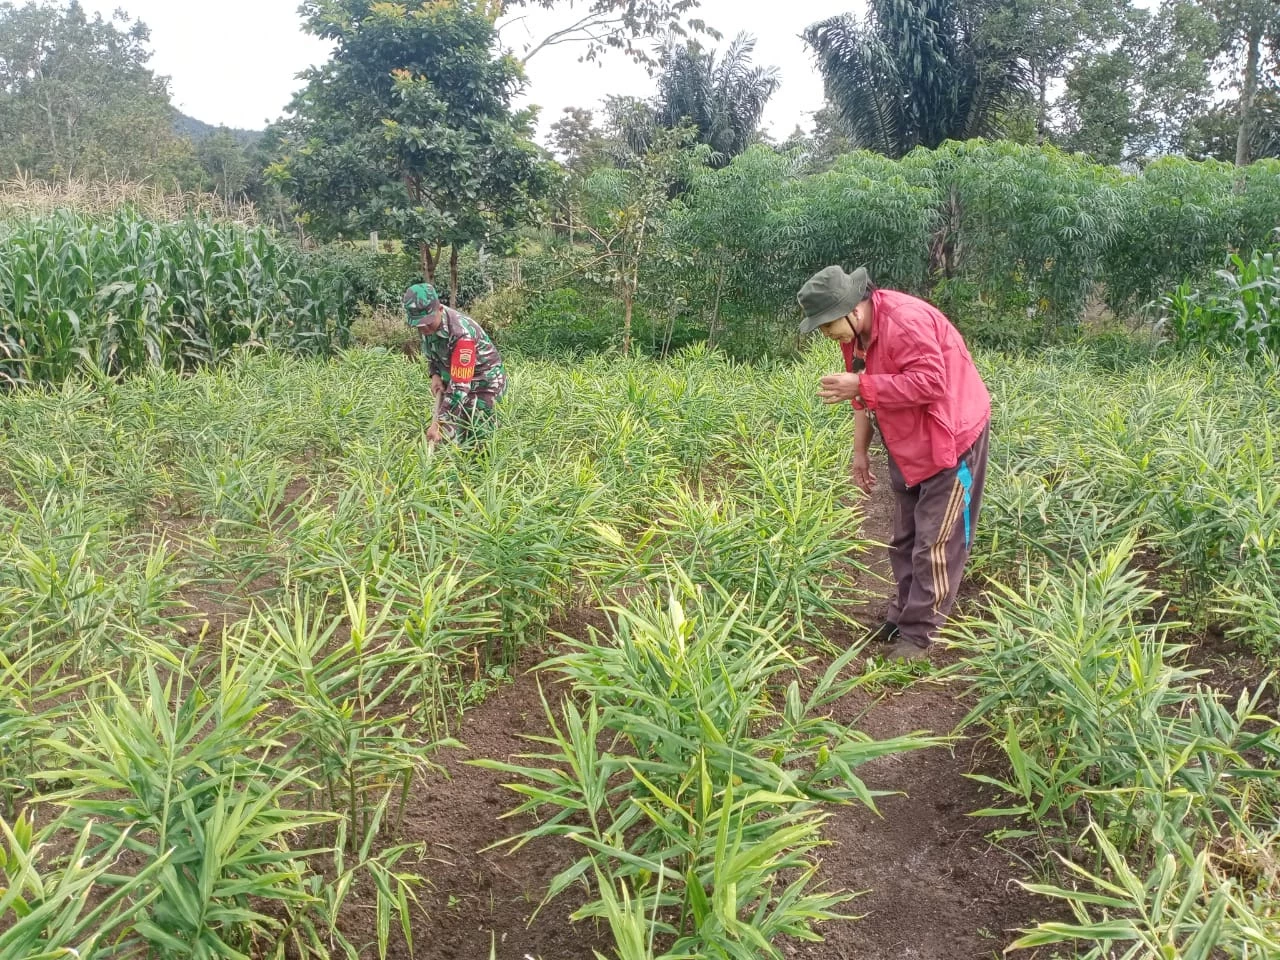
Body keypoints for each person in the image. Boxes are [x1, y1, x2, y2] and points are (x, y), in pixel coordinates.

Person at [797, 265, 991, 660]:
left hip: (949, 438)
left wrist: (862, 386)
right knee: (904, 538)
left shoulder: (906, 321)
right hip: (906, 439)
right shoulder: (857, 335)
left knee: (936, 541)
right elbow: (863, 395)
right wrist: (859, 451)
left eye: (826, 324)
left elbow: (931, 383)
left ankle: (919, 634)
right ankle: (903, 613)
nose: (825, 334)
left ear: (851, 308)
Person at [402, 283, 506, 445]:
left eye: (428, 322)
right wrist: (435, 375)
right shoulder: (426, 327)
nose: (424, 328)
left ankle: (481, 465)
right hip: (455, 377)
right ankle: (452, 465)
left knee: (479, 434)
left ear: (440, 309)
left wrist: (438, 423)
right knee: (450, 435)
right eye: (419, 324)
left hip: (484, 381)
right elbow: (432, 355)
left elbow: (460, 387)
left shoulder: (461, 335)